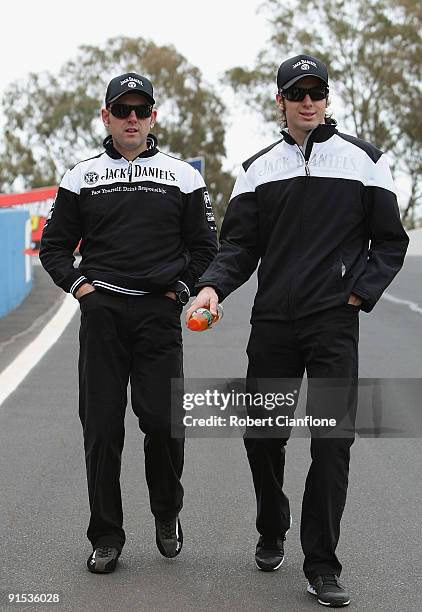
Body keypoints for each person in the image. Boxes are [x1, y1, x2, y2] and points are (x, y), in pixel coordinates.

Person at [186, 54, 409, 607]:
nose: (308, 101)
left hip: (333, 321)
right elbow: (239, 246)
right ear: (280, 101)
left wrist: (356, 290)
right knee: (263, 436)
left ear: (326, 99)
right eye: (297, 93)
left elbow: (390, 240)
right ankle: (271, 522)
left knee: (334, 441)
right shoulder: (258, 168)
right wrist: (213, 286)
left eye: (317, 93)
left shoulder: (364, 162)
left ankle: (322, 563)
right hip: (274, 324)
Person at [40, 72, 217, 574]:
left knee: (161, 423)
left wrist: (181, 291)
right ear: (107, 117)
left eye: (141, 110)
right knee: (101, 428)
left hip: (159, 315)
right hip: (103, 315)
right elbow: (53, 248)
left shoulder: (184, 176)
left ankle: (167, 512)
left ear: (154, 116)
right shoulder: (81, 176)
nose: (132, 118)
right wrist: (83, 291)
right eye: (123, 110)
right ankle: (106, 536)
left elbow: (206, 248)